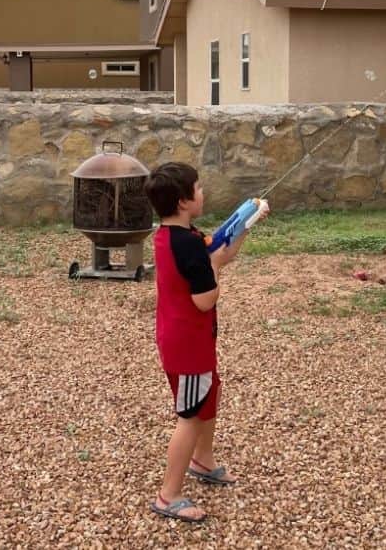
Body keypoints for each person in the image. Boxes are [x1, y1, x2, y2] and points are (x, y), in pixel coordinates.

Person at [144, 162, 268, 523]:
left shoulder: (175, 236)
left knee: (208, 395)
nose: (203, 193)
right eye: (197, 189)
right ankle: (169, 495)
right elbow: (205, 298)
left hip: (183, 339)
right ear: (183, 201)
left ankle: (203, 460)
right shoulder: (190, 247)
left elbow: (219, 253)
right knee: (190, 415)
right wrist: (212, 269)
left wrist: (246, 224)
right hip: (188, 346)